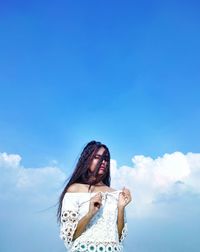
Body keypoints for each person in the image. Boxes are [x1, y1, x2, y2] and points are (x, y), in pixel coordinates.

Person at [57, 140, 132, 252]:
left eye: (106, 159)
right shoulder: (74, 189)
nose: (103, 162)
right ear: (87, 160)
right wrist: (90, 213)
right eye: (97, 157)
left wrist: (121, 208)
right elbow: (70, 237)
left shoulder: (115, 194)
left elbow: (119, 237)